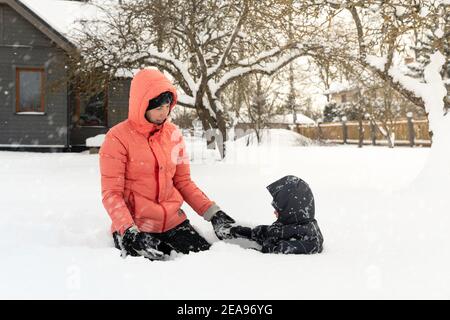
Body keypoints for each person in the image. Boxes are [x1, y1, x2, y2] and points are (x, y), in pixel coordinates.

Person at [99, 69, 239, 260]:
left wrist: (213, 213)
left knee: (206, 260)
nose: (164, 113)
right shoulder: (117, 138)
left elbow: (183, 182)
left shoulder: (173, 134)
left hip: (173, 222)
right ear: (142, 106)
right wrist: (128, 230)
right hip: (136, 227)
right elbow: (111, 193)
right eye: (158, 108)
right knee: (156, 271)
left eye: (167, 107)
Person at [232, 175, 324, 254]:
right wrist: (240, 231)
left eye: (280, 209)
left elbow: (272, 252)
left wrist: (246, 253)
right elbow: (269, 233)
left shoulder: (307, 240)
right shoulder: (294, 225)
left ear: (291, 211)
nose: (275, 212)